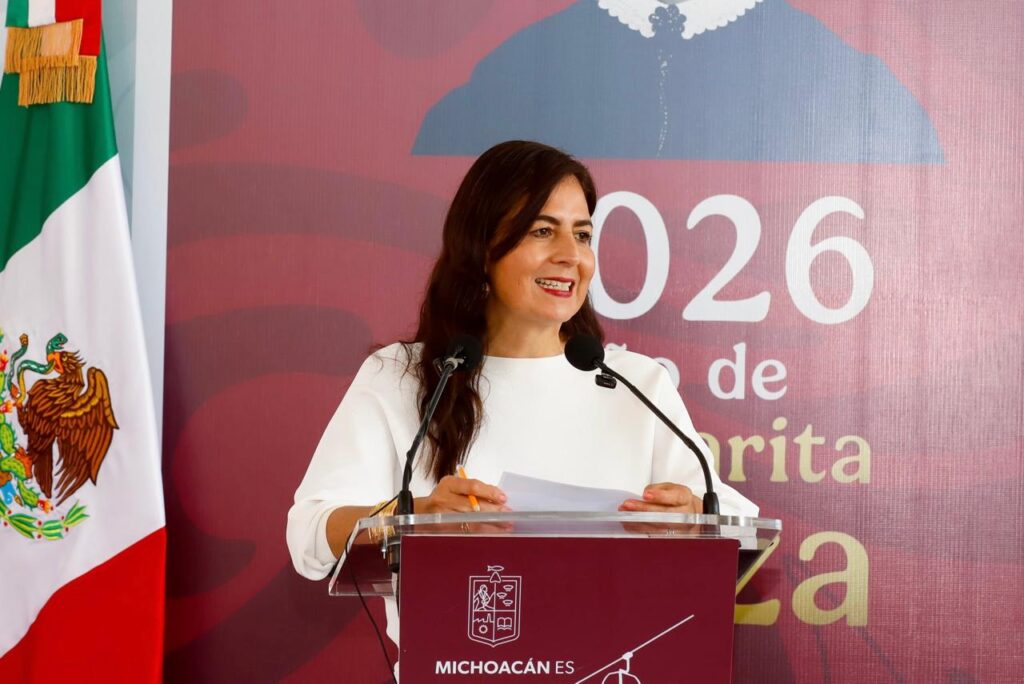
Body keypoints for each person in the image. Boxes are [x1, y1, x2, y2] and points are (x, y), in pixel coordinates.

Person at [286, 140, 757, 644]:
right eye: (542, 231)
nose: (570, 256)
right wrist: (415, 517)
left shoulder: (637, 382)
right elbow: (309, 536)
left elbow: (740, 527)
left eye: (582, 234)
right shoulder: (403, 376)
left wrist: (694, 519)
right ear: (481, 248)